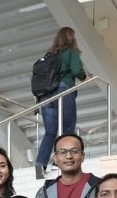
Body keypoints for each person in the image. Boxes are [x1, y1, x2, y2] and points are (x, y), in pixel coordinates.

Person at [35, 27, 87, 180]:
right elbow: (77, 70)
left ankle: (40, 164)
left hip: (45, 96)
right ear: (71, 38)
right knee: (67, 129)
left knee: (50, 131)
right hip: (63, 91)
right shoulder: (70, 52)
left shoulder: (49, 55)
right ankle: (59, 163)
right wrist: (86, 77)